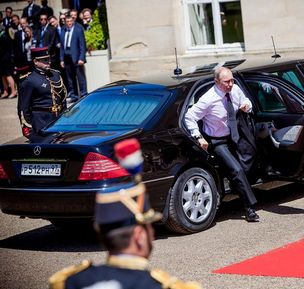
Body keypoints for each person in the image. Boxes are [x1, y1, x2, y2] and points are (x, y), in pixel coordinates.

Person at [48, 138, 203, 289]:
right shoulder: (162, 286)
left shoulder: (68, 282)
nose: (151, 234)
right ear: (139, 236)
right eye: (149, 228)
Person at [185, 67, 260, 222]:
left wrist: (247, 105)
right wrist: (198, 136)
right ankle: (249, 208)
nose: (230, 84)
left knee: (248, 161)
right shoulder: (208, 99)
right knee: (237, 169)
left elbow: (245, 100)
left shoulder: (235, 89)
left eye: (232, 80)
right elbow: (189, 116)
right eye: (226, 82)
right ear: (216, 82)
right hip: (217, 141)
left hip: (235, 135)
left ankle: (236, 188)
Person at [18, 47, 67, 138]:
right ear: (35, 62)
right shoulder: (29, 80)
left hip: (58, 121)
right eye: (44, 60)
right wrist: (28, 127)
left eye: (49, 59)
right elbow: (23, 108)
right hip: (41, 123)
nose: (49, 62)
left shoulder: (56, 75)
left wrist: (64, 118)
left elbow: (63, 99)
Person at [60, 15, 87, 103]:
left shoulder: (78, 30)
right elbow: (61, 46)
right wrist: (62, 59)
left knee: (80, 77)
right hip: (67, 57)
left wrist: (81, 58)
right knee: (70, 78)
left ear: (73, 21)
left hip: (76, 57)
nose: (69, 23)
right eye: (67, 21)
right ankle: (74, 95)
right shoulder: (63, 30)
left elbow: (82, 45)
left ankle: (83, 94)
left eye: (70, 21)